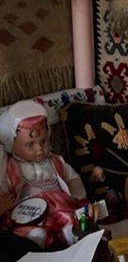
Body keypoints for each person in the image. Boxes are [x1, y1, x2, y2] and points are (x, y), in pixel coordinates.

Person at [0, 100, 87, 250]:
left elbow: (72, 178)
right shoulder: (11, 168)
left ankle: (69, 233)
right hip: (28, 210)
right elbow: (5, 188)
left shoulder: (55, 161)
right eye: (30, 144)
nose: (39, 149)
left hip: (58, 204)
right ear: (12, 145)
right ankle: (34, 239)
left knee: (67, 217)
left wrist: (79, 198)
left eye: (43, 141)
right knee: (28, 228)